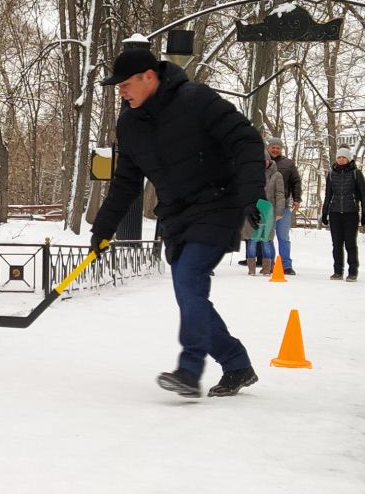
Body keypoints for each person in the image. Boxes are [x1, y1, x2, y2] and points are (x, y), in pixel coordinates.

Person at [90, 43, 266, 398]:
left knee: (189, 279)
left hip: (218, 203)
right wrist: (103, 228)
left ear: (149, 76)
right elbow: (126, 183)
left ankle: (189, 370)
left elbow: (245, 140)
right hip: (176, 215)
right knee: (189, 295)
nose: (121, 92)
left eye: (125, 84)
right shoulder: (130, 124)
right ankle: (236, 363)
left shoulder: (196, 99)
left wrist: (251, 195)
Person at [320, 147, 365, 280]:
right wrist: (324, 213)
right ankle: (338, 271)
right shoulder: (331, 174)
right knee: (336, 244)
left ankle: (352, 272)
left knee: (350, 244)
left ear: (348, 159)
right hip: (335, 213)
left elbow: (363, 195)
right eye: (339, 157)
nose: (341, 160)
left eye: (344, 157)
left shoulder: (356, 173)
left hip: (350, 213)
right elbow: (328, 195)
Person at [244, 148, 288, 276]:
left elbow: (280, 194)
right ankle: (251, 268)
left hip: (269, 211)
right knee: (252, 240)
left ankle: (267, 268)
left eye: (264, 160)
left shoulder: (277, 175)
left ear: (269, 160)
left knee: (266, 241)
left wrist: (279, 211)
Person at [266, 136, 301, 273]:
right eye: (273, 147)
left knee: (283, 237)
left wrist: (297, 199)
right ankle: (270, 264)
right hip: (266, 206)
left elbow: (296, 182)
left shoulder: (289, 164)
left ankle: (286, 265)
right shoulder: (262, 162)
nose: (275, 149)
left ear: (281, 149)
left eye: (278, 147)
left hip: (283, 206)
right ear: (268, 148)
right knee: (268, 237)